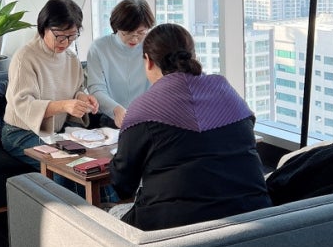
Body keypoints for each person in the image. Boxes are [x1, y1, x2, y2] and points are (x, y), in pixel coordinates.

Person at [109, 23, 270, 231]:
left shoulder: (143, 109)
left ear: (148, 61)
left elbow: (123, 185)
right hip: (254, 220)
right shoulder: (227, 93)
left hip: (173, 230)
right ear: (193, 55)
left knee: (111, 216)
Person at [2, 0, 98, 166]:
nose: (65, 43)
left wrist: (82, 99)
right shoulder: (24, 57)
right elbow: (23, 104)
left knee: (93, 164)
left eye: (72, 37)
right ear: (43, 28)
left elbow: (77, 89)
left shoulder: (71, 58)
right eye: (60, 36)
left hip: (54, 132)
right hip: (20, 132)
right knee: (66, 168)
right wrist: (64, 105)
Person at [86, 0, 155, 128]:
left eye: (141, 33)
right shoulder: (99, 48)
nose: (135, 39)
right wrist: (116, 109)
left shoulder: (152, 47)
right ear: (117, 27)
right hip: (110, 116)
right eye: (127, 33)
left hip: (146, 117)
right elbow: (96, 89)